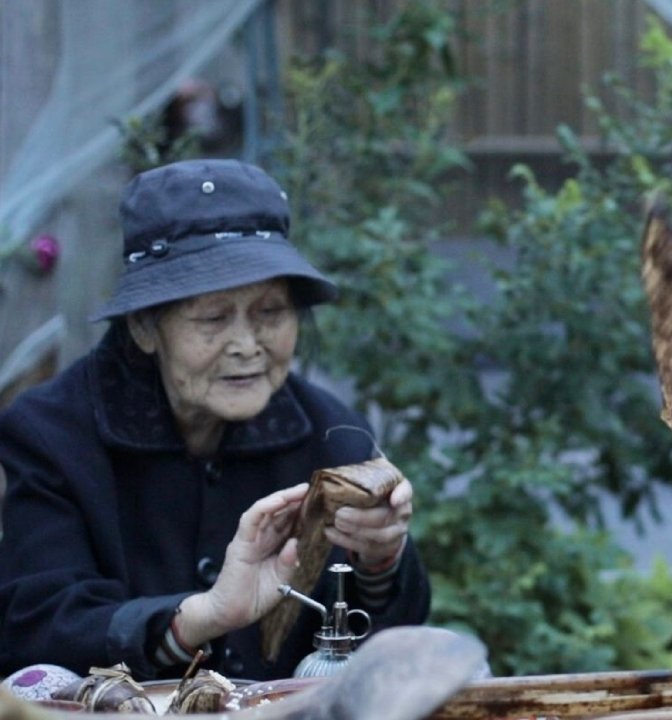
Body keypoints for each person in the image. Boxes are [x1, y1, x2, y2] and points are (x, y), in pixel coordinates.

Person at [0, 159, 431, 681]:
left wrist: (381, 558)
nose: (247, 345)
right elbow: (38, 629)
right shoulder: (53, 435)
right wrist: (198, 619)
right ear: (144, 327)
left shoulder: (331, 435)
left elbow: (384, 657)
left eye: (271, 313)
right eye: (213, 317)